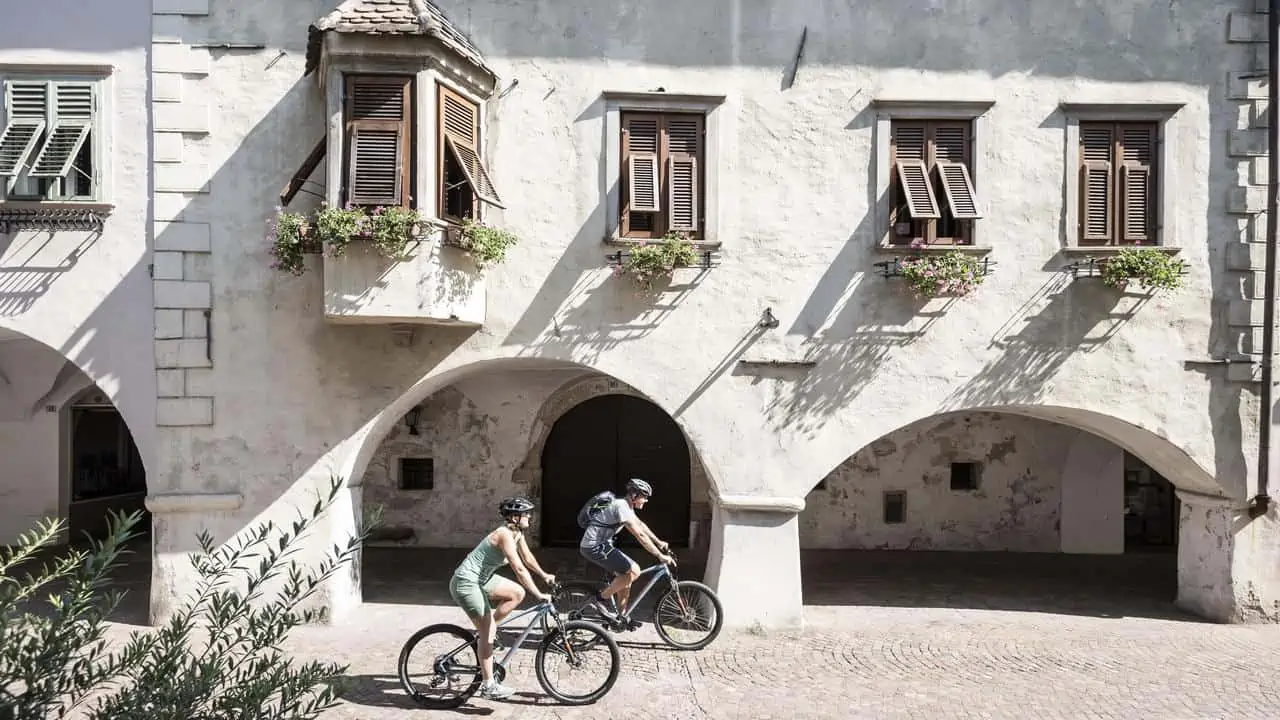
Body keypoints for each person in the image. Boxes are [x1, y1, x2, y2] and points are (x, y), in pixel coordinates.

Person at [448, 496, 556, 701]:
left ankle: (488, 631)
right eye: (526, 514)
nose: (530, 517)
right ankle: (489, 686)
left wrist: (544, 575)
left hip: (482, 580)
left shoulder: (516, 534)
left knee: (516, 594)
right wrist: (539, 594)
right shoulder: (504, 534)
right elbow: (519, 568)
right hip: (466, 582)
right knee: (487, 632)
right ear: (515, 517)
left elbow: (528, 558)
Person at [578, 478, 676, 628]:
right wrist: (659, 556)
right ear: (634, 495)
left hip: (602, 545)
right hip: (593, 546)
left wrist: (659, 541)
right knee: (634, 571)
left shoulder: (627, 507)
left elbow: (641, 526)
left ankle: (621, 618)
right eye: (644, 496)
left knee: (626, 579)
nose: (646, 500)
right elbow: (640, 535)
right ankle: (600, 599)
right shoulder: (621, 506)